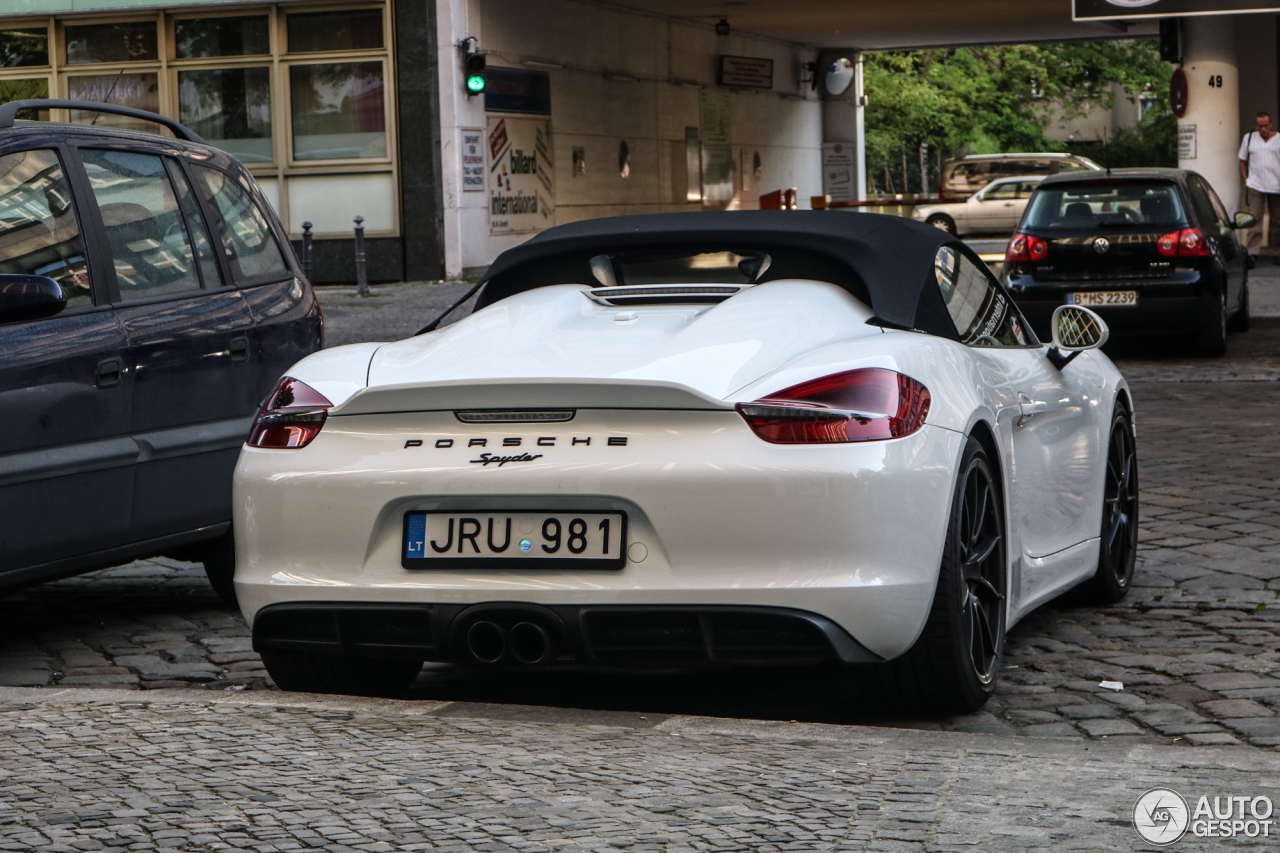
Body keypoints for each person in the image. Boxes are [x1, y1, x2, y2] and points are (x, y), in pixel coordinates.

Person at [1239, 111, 1280, 261]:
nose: (1263, 128)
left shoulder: (1279, 139)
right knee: (1254, 218)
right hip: (1256, 185)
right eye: (1260, 126)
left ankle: (1276, 251)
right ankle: (1252, 253)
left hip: (1276, 185)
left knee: (1277, 221)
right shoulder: (1249, 138)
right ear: (1256, 125)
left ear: (1271, 125)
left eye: (1265, 125)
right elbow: (1242, 161)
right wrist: (1247, 180)